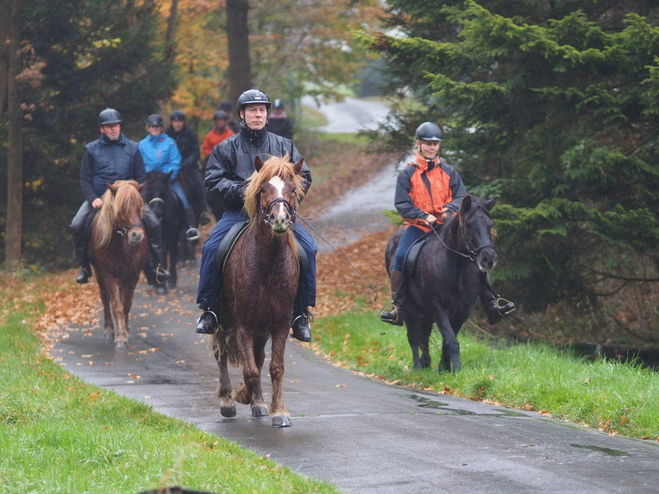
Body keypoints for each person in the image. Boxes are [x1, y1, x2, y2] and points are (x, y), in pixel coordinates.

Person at [195, 89, 318, 342]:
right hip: (238, 213)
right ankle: (210, 309)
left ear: (267, 114)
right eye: (252, 110)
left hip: (277, 213)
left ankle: (301, 313)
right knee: (211, 248)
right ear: (242, 114)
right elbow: (213, 180)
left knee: (310, 249)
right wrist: (244, 191)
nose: (257, 114)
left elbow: (304, 177)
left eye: (262, 110)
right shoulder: (225, 148)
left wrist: (284, 201)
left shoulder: (284, 145)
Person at [380, 121, 515, 326]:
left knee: (474, 255)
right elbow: (402, 204)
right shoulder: (407, 174)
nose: (431, 147)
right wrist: (423, 216)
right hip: (419, 227)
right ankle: (398, 307)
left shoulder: (449, 171)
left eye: (435, 144)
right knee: (401, 255)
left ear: (439, 146)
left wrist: (449, 210)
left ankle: (491, 304)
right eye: (427, 143)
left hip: (447, 226)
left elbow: (461, 197)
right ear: (419, 144)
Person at [69, 108, 169, 285]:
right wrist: (93, 199)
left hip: (129, 200)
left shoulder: (133, 147)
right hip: (100, 199)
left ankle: (158, 266)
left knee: (153, 223)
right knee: (76, 224)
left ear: (120, 126)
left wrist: (138, 198)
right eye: (109, 127)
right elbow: (85, 179)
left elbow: (141, 177)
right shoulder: (91, 150)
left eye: (116, 126)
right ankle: (84, 267)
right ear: (102, 129)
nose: (113, 129)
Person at [139, 114, 200, 242]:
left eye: (157, 127)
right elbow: (141, 163)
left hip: (168, 179)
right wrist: (152, 176)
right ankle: (138, 228)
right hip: (150, 181)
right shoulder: (142, 144)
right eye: (152, 127)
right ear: (148, 128)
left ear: (161, 128)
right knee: (139, 201)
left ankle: (191, 227)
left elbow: (175, 160)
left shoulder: (170, 142)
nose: (155, 129)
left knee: (183, 198)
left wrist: (167, 175)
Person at [165, 109, 211, 226]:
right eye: (175, 121)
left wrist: (187, 163)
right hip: (171, 167)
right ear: (172, 122)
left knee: (199, 182)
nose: (178, 123)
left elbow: (196, 151)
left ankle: (203, 211)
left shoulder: (190, 134)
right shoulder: (167, 134)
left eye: (180, 121)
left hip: (188, 167)